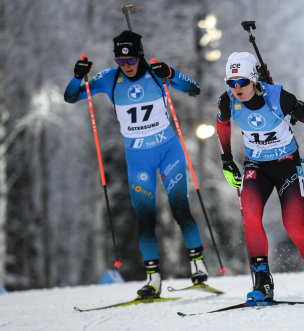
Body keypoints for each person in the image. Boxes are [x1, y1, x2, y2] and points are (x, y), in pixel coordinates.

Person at [64, 30, 208, 299]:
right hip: (138, 159)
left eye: (130, 60)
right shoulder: (110, 78)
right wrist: (77, 75)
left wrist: (172, 74)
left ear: (140, 55)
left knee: (180, 209)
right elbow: (71, 97)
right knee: (145, 220)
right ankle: (153, 280)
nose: (126, 66)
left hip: (169, 152)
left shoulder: (155, 72)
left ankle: (197, 264)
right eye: (120, 60)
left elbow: (194, 89)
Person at [216, 52, 304, 304]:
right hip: (256, 166)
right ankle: (262, 282)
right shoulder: (227, 101)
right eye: (230, 83)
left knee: (294, 227)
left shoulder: (278, 98)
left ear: (254, 79)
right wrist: (227, 161)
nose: (236, 88)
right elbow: (221, 124)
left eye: (241, 82)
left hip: (286, 165)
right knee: (251, 219)